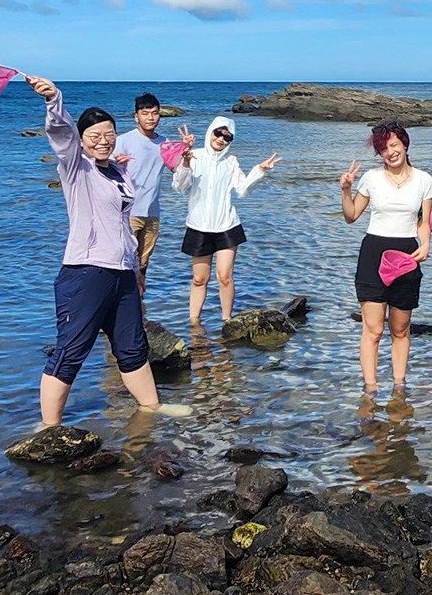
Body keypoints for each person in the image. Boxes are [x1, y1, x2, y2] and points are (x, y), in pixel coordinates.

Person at [27, 75, 188, 424]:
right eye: (95, 136)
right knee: (71, 350)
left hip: (122, 274)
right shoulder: (75, 168)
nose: (103, 142)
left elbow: (122, 226)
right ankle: (49, 426)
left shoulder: (118, 171)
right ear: (83, 141)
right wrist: (55, 100)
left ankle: (152, 407)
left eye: (108, 135)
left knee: (132, 347)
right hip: (86, 272)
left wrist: (135, 270)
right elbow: (61, 135)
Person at [340, 120, 432, 393]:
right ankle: (370, 389)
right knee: (373, 330)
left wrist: (426, 244)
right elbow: (351, 216)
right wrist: (345, 190)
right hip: (373, 254)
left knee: (400, 329)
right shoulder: (370, 178)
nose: (390, 152)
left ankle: (398, 386)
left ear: (404, 144)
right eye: (383, 149)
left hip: (407, 255)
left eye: (393, 145)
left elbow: (423, 222)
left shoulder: (423, 180)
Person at [171, 115, 278, 326]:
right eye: (218, 133)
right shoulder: (194, 156)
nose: (221, 139)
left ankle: (226, 320)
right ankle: (194, 323)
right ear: (210, 132)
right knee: (199, 279)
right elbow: (180, 186)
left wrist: (259, 170)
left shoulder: (231, 161)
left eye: (227, 137)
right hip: (198, 226)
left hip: (227, 226)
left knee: (225, 276)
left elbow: (242, 189)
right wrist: (184, 161)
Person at [113, 92, 189, 297]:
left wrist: (186, 152)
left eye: (154, 113)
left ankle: (138, 306)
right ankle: (117, 305)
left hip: (152, 213)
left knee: (143, 263)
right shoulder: (124, 141)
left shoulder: (164, 144)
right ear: (136, 116)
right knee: (122, 261)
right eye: (145, 113)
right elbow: (104, 170)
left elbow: (180, 173)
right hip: (127, 211)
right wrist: (115, 164)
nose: (150, 117)